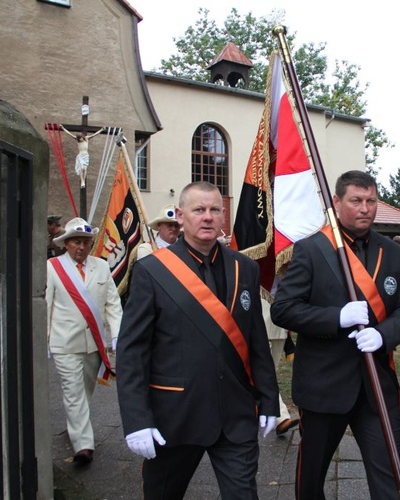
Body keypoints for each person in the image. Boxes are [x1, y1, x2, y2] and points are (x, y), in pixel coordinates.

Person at [116, 181, 279, 499]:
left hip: (235, 415)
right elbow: (132, 350)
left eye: (214, 210)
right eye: (198, 210)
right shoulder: (152, 271)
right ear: (180, 216)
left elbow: (255, 340)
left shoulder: (244, 267)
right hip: (174, 417)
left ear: (223, 216)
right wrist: (136, 419)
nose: (207, 217)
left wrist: (269, 399)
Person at [271, 170, 400, 499]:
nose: (365, 208)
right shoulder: (311, 249)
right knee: (311, 480)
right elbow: (283, 309)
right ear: (336, 203)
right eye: (356, 201)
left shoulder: (391, 252)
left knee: (392, 477)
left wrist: (384, 335)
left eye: (371, 201)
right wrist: (336, 317)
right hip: (324, 386)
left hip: (376, 385)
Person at [46, 217, 122, 464]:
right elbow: (46, 306)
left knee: (85, 392)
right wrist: (44, 343)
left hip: (94, 344)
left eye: (86, 242)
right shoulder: (53, 267)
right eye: (76, 242)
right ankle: (84, 446)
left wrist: (117, 336)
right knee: (73, 391)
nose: (81, 247)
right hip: (64, 343)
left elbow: (113, 303)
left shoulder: (100, 266)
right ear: (66, 244)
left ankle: (76, 427)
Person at [261, 293, 300, 436]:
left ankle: (277, 415)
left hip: (273, 323)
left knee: (268, 374)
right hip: (270, 321)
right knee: (267, 374)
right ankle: (280, 417)